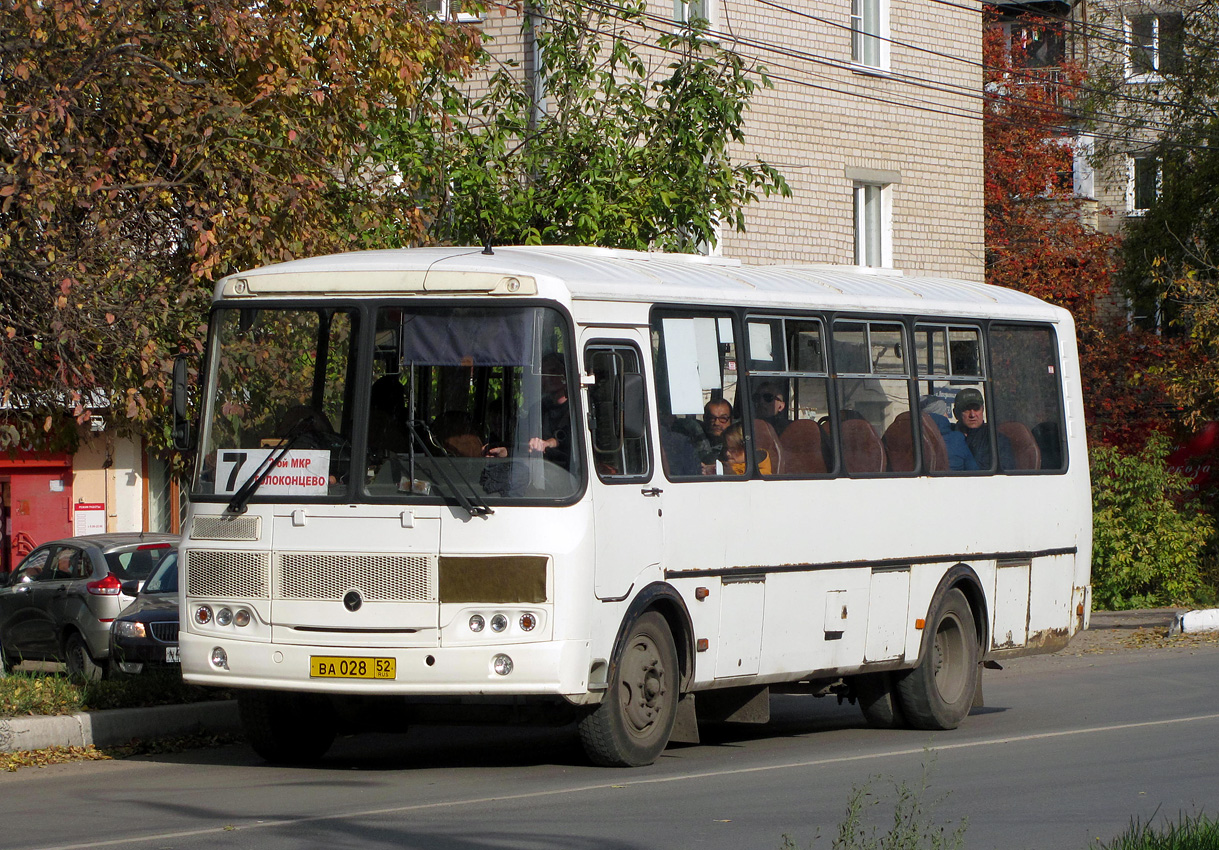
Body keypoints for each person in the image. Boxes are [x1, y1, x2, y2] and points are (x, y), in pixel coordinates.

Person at [952, 388, 1013, 470]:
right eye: (967, 409)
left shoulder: (996, 441)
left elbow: (1004, 473)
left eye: (976, 408)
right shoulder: (948, 437)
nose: (972, 415)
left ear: (982, 410)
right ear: (956, 413)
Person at [529, 353, 571, 467]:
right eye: (544, 373)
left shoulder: (577, 407)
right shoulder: (537, 409)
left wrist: (547, 444)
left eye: (553, 372)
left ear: (565, 375)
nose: (547, 377)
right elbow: (528, 439)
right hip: (541, 469)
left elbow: (568, 437)